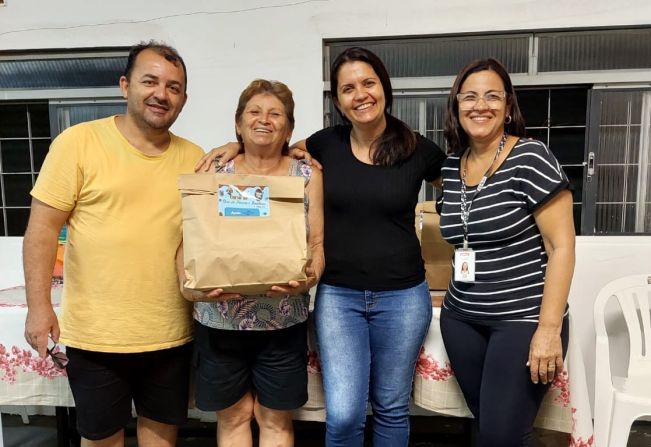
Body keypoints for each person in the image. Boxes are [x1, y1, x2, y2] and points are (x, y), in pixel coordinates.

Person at [197, 47, 447, 447]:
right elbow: (271, 143)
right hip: (339, 295)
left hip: (403, 295)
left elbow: (462, 189)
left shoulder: (418, 149)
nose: (360, 94)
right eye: (348, 88)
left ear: (384, 87)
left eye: (368, 83)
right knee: (345, 412)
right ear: (338, 101)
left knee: (391, 407)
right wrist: (233, 146)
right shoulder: (323, 145)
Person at [23, 41, 204, 447]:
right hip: (97, 336)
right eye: (150, 81)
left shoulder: (195, 158)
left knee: (162, 439)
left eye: (174, 87)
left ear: (184, 99)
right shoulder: (78, 142)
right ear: (125, 86)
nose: (161, 94)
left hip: (170, 332)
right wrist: (39, 307)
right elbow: (41, 229)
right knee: (102, 440)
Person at [437, 58, 575, 446]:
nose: (480, 105)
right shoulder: (452, 166)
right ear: (457, 106)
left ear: (508, 106)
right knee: (490, 425)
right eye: (470, 97)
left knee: (502, 432)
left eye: (492, 96)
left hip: (522, 320)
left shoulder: (530, 156)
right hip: (461, 318)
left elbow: (561, 246)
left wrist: (548, 330)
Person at [180, 79, 324, 447]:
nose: (264, 120)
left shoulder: (306, 175)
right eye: (254, 113)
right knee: (233, 416)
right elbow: (188, 239)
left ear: (289, 128)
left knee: (274, 419)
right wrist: (189, 286)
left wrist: (309, 279)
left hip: (283, 320)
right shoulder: (215, 170)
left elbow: (317, 244)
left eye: (275, 114)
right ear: (238, 124)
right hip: (219, 319)